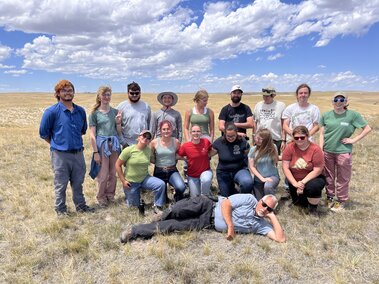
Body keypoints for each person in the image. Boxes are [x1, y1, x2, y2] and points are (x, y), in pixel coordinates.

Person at [120, 194, 285, 243]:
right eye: (264, 204)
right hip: (208, 205)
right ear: (260, 200)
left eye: (269, 208)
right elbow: (226, 204)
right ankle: (163, 214)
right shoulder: (249, 199)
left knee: (171, 227)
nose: (264, 208)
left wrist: (272, 217)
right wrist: (231, 226)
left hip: (205, 223)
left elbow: (280, 239)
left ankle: (133, 231)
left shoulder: (260, 225)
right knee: (178, 209)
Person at [39, 79, 94, 215]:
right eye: (64, 90)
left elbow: (82, 130)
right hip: (60, 155)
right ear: (58, 93)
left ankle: (81, 207)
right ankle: (61, 210)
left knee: (78, 182)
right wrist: (57, 144)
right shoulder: (51, 112)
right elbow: (44, 133)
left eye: (70, 90)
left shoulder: (80, 111)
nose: (68, 93)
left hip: (78, 153)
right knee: (61, 184)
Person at [320, 92, 372, 212]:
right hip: (328, 150)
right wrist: (321, 148)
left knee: (343, 177)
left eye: (341, 99)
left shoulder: (352, 115)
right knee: (329, 176)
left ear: (346, 101)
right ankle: (330, 197)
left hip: (343, 151)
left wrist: (353, 140)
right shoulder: (326, 115)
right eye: (336, 99)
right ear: (332, 101)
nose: (338, 102)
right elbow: (322, 133)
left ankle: (341, 200)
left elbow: (367, 128)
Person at [115, 130, 166, 213]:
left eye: (148, 138)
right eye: (144, 136)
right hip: (131, 182)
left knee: (160, 184)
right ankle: (132, 197)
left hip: (145, 178)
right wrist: (123, 181)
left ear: (149, 141)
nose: (146, 138)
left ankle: (158, 206)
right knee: (134, 207)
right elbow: (117, 165)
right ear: (138, 137)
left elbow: (154, 160)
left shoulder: (148, 151)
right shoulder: (128, 150)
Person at [88, 86, 122, 207]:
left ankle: (110, 195)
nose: (106, 97)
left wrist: (118, 123)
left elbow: (118, 132)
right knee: (103, 174)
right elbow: (92, 134)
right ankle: (101, 196)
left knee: (113, 171)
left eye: (108, 95)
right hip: (102, 145)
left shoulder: (115, 111)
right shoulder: (94, 114)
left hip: (114, 144)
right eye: (104, 95)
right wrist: (96, 152)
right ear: (99, 96)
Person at [282, 126, 326, 215]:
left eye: (302, 137)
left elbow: (318, 170)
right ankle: (303, 199)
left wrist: (302, 182)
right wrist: (295, 183)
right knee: (300, 204)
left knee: (314, 187)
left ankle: (313, 210)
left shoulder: (315, 149)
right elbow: (285, 167)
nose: (299, 140)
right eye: (296, 138)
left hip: (312, 178)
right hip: (295, 179)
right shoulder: (289, 147)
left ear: (307, 136)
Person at [210, 123, 253, 197]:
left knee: (247, 182)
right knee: (225, 197)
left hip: (239, 169)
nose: (230, 138)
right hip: (224, 172)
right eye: (228, 136)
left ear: (237, 133)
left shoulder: (242, 141)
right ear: (224, 134)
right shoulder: (218, 142)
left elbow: (247, 152)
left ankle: (243, 199)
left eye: (233, 136)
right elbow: (209, 154)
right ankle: (233, 190)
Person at [150, 120, 186, 202]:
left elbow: (178, 154)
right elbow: (151, 156)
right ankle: (164, 199)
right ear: (160, 130)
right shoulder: (154, 142)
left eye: (168, 129)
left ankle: (177, 198)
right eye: (164, 129)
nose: (166, 131)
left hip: (172, 170)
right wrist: (157, 162)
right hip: (159, 170)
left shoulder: (176, 142)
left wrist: (187, 158)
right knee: (162, 201)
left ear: (172, 130)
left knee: (181, 187)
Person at [178, 125, 213, 197]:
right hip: (193, 175)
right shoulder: (186, 146)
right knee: (195, 198)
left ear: (201, 133)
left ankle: (205, 196)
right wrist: (185, 159)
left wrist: (208, 155)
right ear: (190, 133)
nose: (196, 133)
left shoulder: (206, 142)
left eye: (198, 131)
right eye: (193, 131)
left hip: (205, 171)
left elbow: (212, 150)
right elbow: (178, 155)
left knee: (206, 180)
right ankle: (201, 191)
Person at [248, 128, 280, 200]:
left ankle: (271, 206)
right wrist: (262, 179)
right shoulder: (253, 149)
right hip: (259, 178)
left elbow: (276, 161)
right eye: (256, 138)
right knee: (259, 201)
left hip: (272, 176)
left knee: (268, 187)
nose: (257, 140)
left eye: (260, 139)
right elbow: (252, 167)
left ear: (266, 140)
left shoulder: (273, 147)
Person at [117, 82, 151, 148]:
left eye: (137, 93)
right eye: (132, 93)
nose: (134, 95)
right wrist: (123, 142)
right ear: (128, 93)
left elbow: (149, 124)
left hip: (143, 143)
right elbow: (117, 126)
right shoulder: (121, 107)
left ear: (140, 93)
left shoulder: (146, 106)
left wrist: (147, 140)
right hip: (127, 144)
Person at [254, 86, 286, 155]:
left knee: (273, 161)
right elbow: (255, 122)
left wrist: (284, 140)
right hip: (260, 138)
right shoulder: (258, 105)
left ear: (273, 95)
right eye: (264, 95)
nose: (265, 97)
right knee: (259, 160)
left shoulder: (281, 105)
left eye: (268, 96)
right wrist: (254, 136)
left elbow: (284, 124)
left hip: (275, 139)